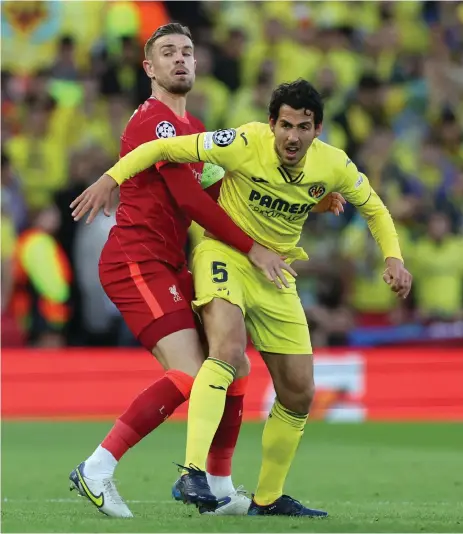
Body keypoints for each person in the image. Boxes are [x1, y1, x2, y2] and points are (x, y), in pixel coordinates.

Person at [72, 79, 395, 517]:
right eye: (285, 125)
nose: (292, 136)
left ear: (318, 129)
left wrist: (393, 257)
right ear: (271, 123)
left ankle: (251, 495)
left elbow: (373, 207)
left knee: (293, 390)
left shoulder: (332, 165)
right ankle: (173, 471)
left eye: (303, 127)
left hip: (270, 268)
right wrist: (109, 179)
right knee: (217, 356)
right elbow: (163, 160)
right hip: (217, 255)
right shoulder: (236, 138)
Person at [67, 23, 299, 519]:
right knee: (194, 376)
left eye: (188, 52)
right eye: (168, 52)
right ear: (149, 68)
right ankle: (97, 467)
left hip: (169, 263)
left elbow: (218, 194)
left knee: (233, 364)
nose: (180, 59)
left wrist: (301, 199)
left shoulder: (196, 130)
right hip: (136, 261)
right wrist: (252, 247)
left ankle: (216, 486)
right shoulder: (153, 121)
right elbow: (188, 198)